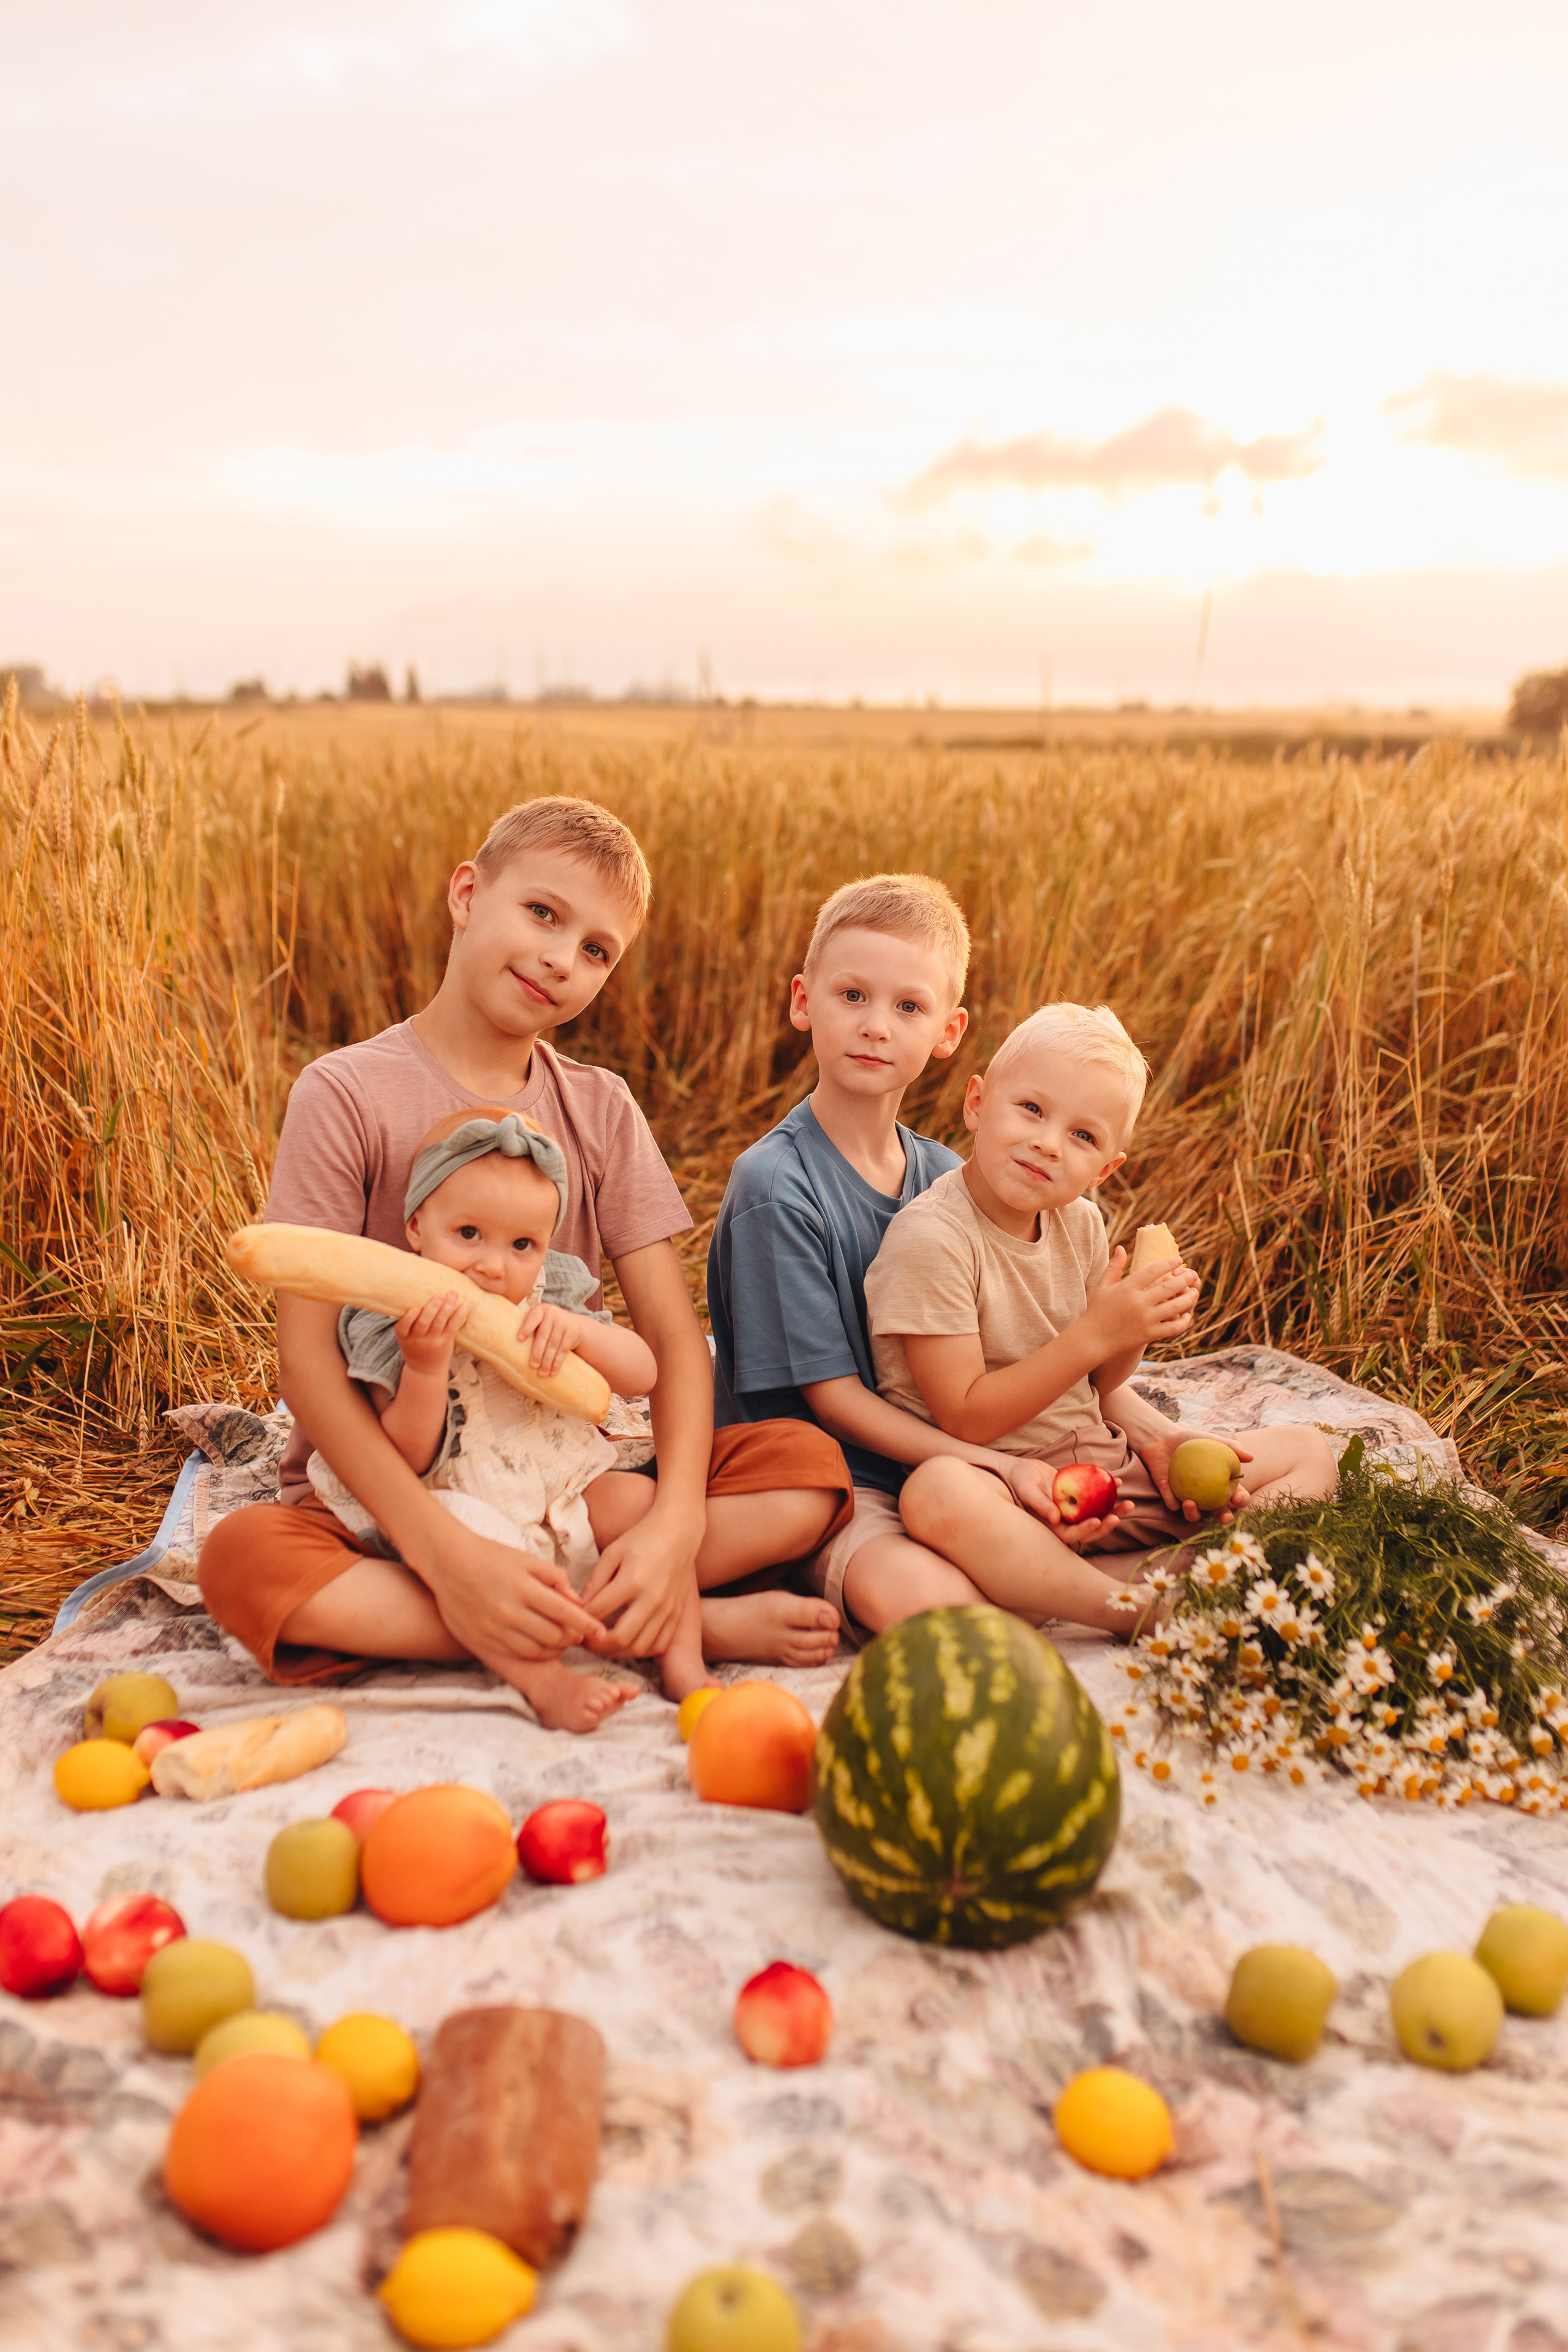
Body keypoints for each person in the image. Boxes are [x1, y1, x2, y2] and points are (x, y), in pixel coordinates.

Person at [199, 796, 851, 1723]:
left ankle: (617, 1588)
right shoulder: (346, 1092)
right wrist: (441, 1553)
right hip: (392, 1502)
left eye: (597, 951)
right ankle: (642, 1621)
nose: (561, 958)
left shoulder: (601, 1109)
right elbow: (306, 1362)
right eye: (543, 914)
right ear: (468, 894)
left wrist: (674, 1525)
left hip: (564, 1485)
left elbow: (671, 1337)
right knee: (242, 1562)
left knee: (805, 1469)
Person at [865, 1001, 1339, 1627]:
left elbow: (1100, 1382)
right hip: (1007, 1484)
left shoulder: (1080, 1223)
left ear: (1106, 1168)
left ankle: (1112, 1579)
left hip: (1103, 1470)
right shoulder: (934, 1238)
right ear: (976, 1103)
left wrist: (1132, 1332)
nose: (1047, 1142)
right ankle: (1133, 1607)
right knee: (934, 1494)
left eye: (1082, 1136)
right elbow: (965, 1417)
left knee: (1308, 1450)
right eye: (1031, 1109)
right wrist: (1096, 1333)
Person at [707, 873, 1070, 1645]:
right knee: (936, 1610)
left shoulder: (945, 1177)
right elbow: (833, 1404)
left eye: (908, 1007)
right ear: (803, 1001)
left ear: (948, 1032)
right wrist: (994, 1467)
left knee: (1078, 1543)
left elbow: (1003, 1351)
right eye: (852, 996)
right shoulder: (777, 1186)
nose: (876, 1026)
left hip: (938, 1468)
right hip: (825, 1482)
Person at [302, 1107, 719, 1726]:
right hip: (463, 1506)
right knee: (469, 1539)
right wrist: (423, 1369)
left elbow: (642, 1375)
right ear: (417, 1227)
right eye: (468, 1234)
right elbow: (408, 1455)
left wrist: (580, 1334)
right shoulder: (393, 1317)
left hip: (564, 1487)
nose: (493, 1266)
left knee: (643, 1505)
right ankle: (545, 1682)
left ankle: (687, 1665)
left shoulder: (550, 1295)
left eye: (521, 1244)